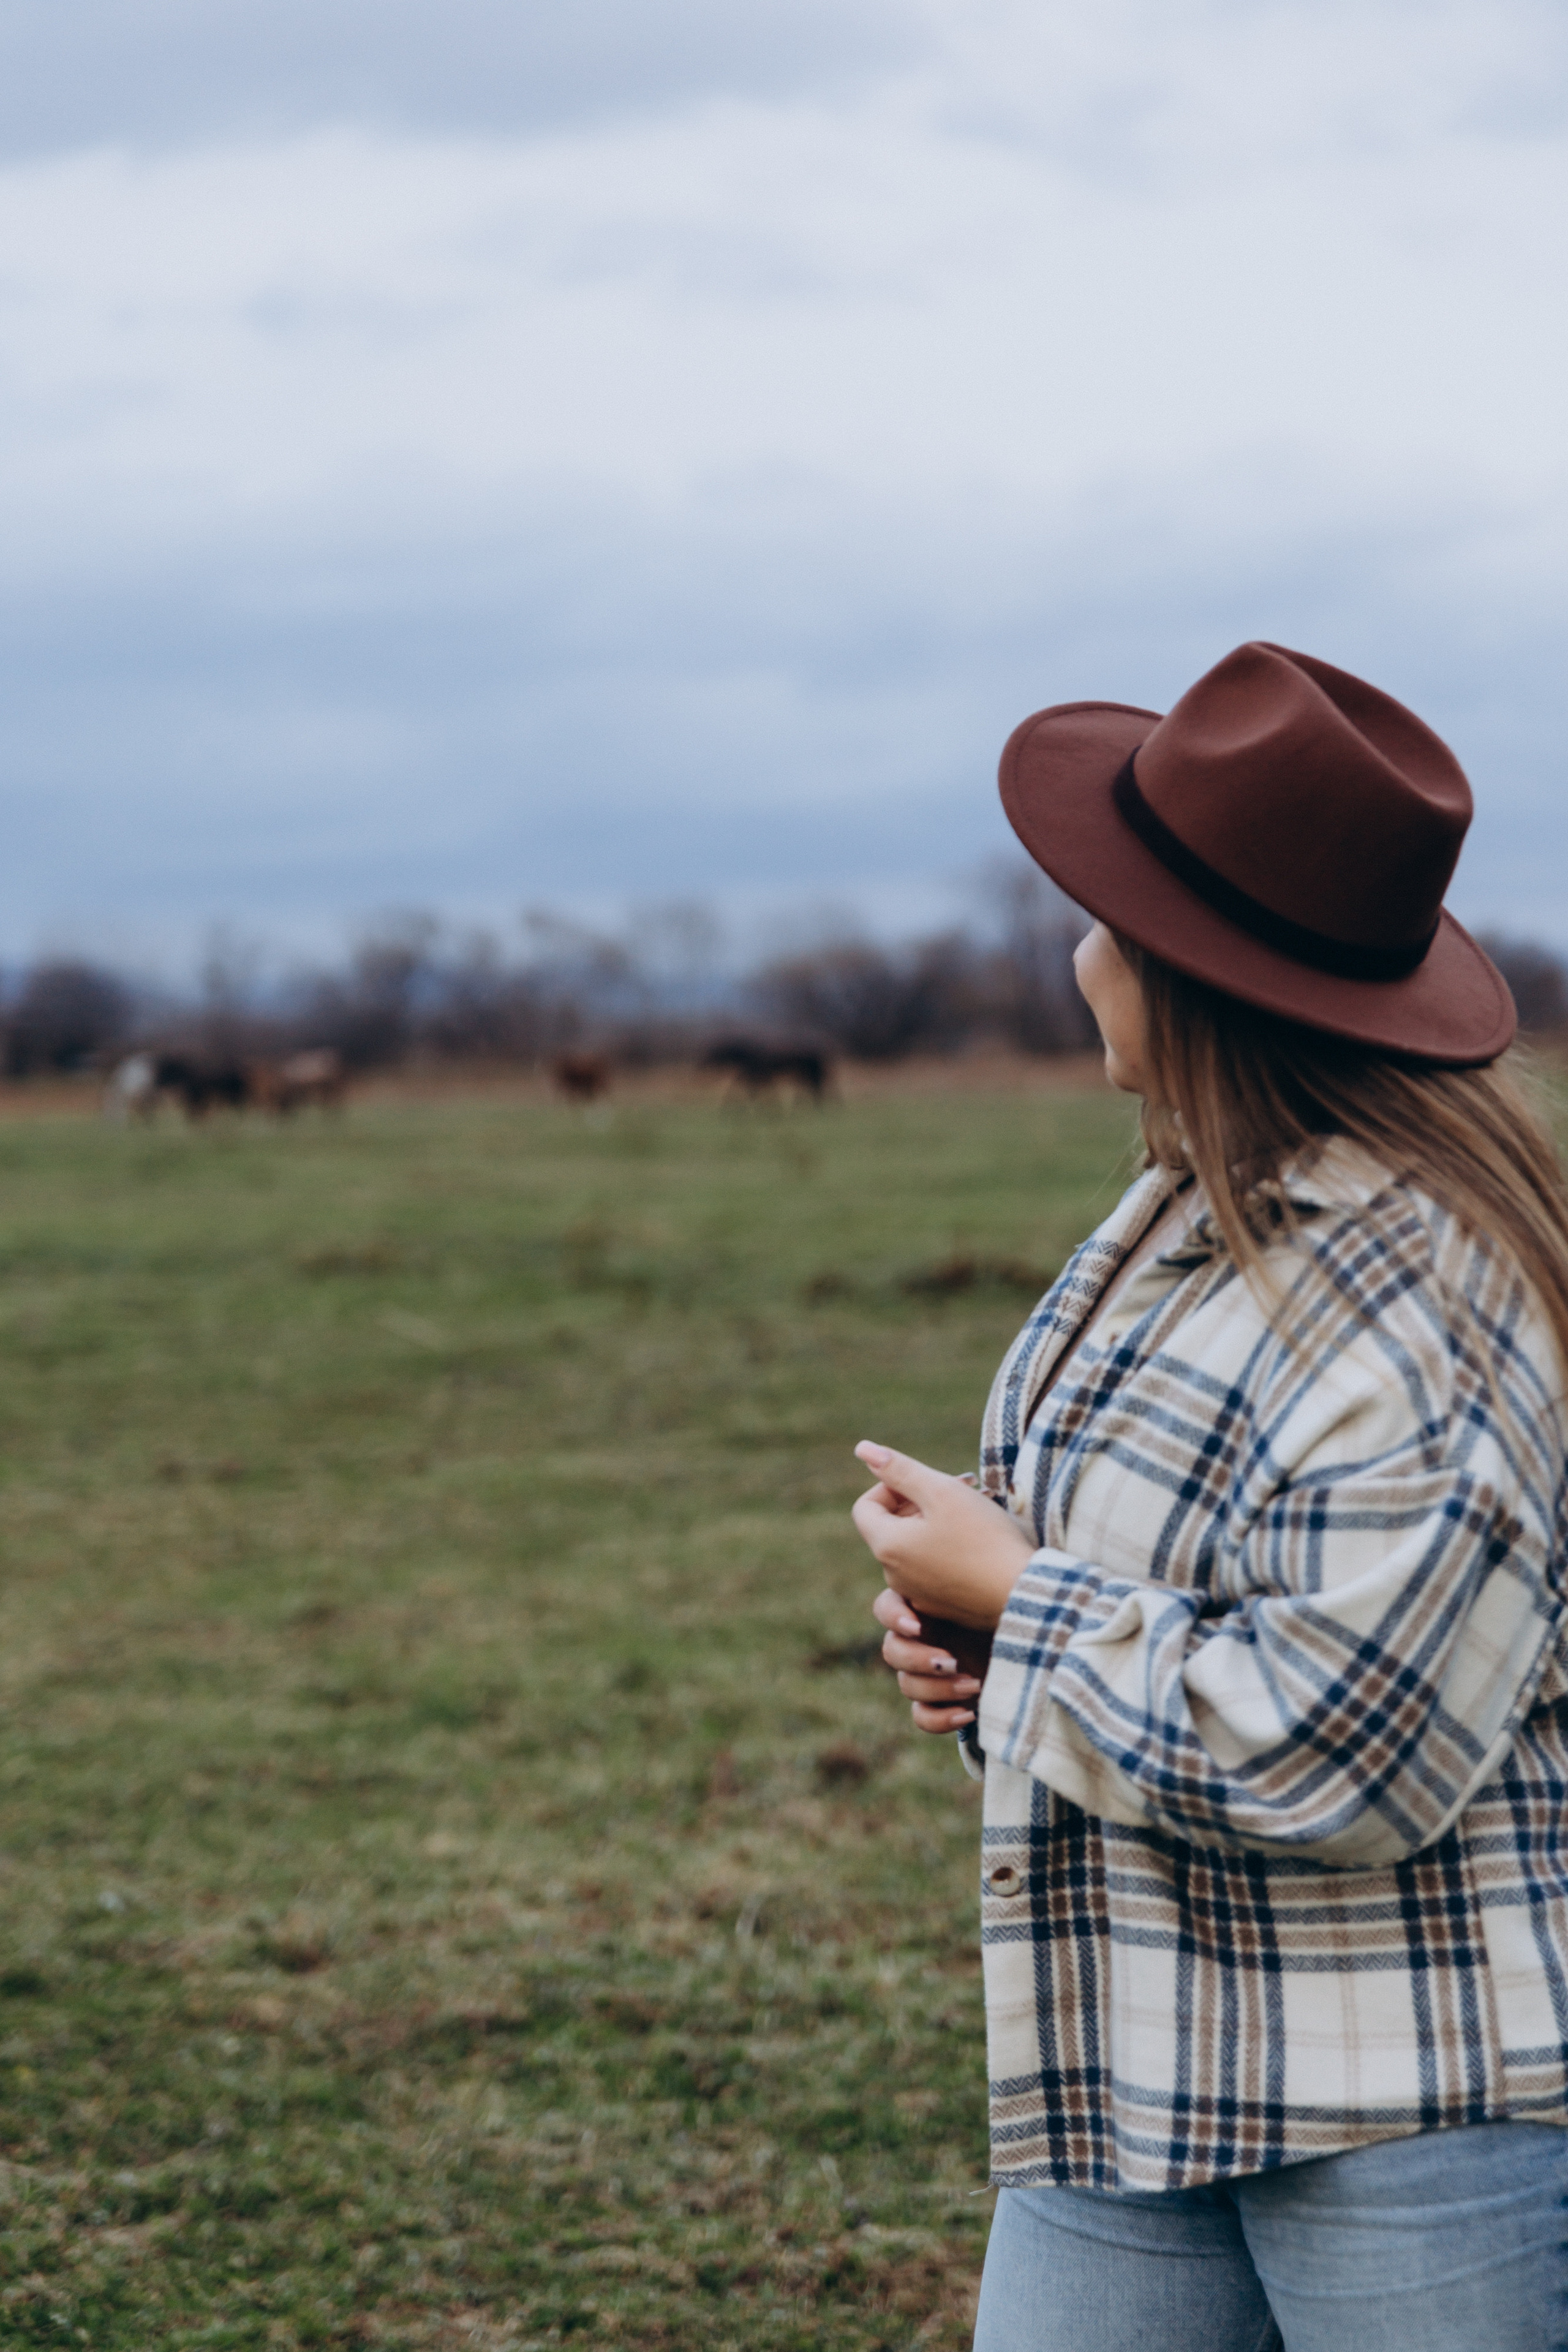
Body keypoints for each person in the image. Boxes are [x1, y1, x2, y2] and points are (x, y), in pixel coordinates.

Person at [850, 643, 1568, 2351]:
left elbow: (1349, 1753)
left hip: (1406, 2115)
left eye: (1103, 918)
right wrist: (975, 1649)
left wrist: (1024, 1608)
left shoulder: (1430, 1299)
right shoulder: (1181, 1212)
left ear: (1184, 972)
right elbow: (1131, 1578)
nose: (1077, 952)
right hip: (1133, 2067)